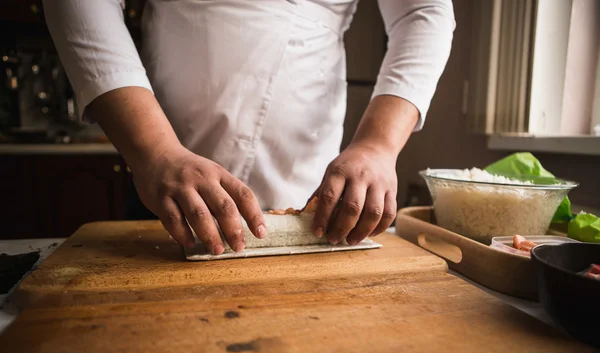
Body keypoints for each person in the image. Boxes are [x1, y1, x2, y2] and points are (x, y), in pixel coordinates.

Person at [43, 0, 455, 255]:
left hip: (311, 192)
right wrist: (153, 150)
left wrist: (378, 145)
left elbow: (424, 10)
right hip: (159, 177)